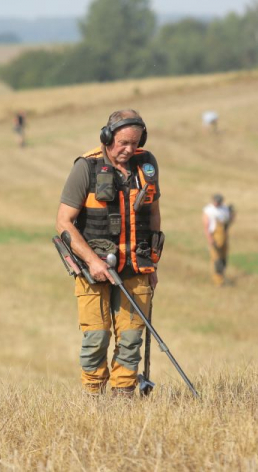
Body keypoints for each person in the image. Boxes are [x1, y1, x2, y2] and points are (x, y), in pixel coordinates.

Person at [56, 109, 162, 397]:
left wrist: (152, 263)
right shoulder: (86, 168)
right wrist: (92, 261)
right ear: (107, 136)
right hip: (94, 269)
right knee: (96, 338)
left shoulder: (146, 165)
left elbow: (153, 215)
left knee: (130, 339)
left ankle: (124, 398)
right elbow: (64, 222)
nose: (129, 149)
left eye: (135, 143)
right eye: (123, 142)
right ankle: (93, 398)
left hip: (136, 266)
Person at [202, 194, 235, 286]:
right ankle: (218, 280)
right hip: (215, 235)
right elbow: (206, 225)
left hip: (224, 234)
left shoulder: (224, 209)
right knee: (217, 259)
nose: (217, 203)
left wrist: (232, 214)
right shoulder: (209, 210)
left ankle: (222, 277)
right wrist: (210, 238)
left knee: (223, 259)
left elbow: (229, 221)